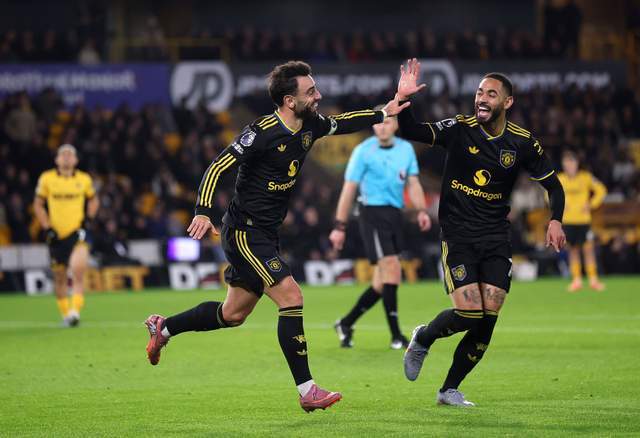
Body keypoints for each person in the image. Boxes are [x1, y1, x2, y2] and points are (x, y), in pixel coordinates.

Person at [143, 61, 408, 412]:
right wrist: (203, 211)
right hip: (244, 233)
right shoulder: (262, 132)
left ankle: (164, 328)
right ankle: (307, 390)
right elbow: (218, 166)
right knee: (291, 296)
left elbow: (342, 122)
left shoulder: (311, 124)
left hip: (266, 233)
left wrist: (386, 110)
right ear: (289, 100)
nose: (318, 96)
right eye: (310, 92)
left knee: (232, 314)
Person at [388, 59, 566, 407]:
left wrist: (556, 219)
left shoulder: (522, 142)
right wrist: (404, 98)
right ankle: (423, 337)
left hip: (496, 237)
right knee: (470, 313)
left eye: (491, 94)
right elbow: (412, 131)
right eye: (479, 92)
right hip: (458, 235)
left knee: (488, 318)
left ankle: (449, 389)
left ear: (507, 102)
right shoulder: (459, 128)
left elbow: (554, 186)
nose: (482, 98)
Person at [329, 109, 431, 350]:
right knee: (392, 270)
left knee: (380, 284)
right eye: (379, 122)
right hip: (371, 214)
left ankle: (345, 323)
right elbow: (348, 189)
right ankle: (396, 336)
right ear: (374, 126)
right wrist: (339, 226)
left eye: (387, 122)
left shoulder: (405, 150)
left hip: (394, 215)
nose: (382, 126)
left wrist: (421, 210)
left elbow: (413, 182)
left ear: (396, 125)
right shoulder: (363, 151)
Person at [33, 144, 99, 326]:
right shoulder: (47, 178)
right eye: (63, 154)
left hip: (77, 233)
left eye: (70, 154)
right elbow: (38, 204)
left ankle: (75, 312)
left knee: (78, 270)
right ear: (57, 159)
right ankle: (65, 314)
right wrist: (47, 227)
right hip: (56, 235)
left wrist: (88, 219)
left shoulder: (84, 179)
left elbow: (94, 200)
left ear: (76, 160)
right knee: (60, 276)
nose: (67, 157)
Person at [558, 150, 607, 292]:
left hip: (584, 220)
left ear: (577, 163)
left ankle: (593, 280)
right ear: (563, 165)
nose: (569, 165)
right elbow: (548, 193)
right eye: (566, 163)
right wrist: (559, 204)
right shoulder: (560, 179)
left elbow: (601, 190)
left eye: (571, 162)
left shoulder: (586, 177)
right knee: (573, 251)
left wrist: (591, 204)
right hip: (568, 221)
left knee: (588, 250)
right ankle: (577, 280)